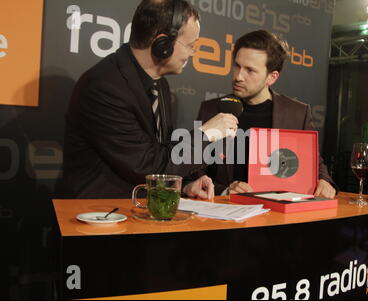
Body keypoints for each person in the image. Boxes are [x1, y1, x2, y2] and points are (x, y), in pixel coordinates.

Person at [62, 0, 238, 199]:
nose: (193, 52)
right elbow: (148, 166)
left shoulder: (159, 84)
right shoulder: (104, 86)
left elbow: (158, 152)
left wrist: (185, 185)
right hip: (97, 216)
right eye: (190, 45)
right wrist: (207, 134)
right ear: (162, 43)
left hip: (136, 211)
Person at [196, 30, 337, 198]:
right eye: (237, 66)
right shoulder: (211, 110)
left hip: (278, 215)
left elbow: (313, 162)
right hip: (227, 213)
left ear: (272, 77)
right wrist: (225, 191)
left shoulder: (297, 113)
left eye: (250, 70)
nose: (238, 76)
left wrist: (324, 180)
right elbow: (194, 170)